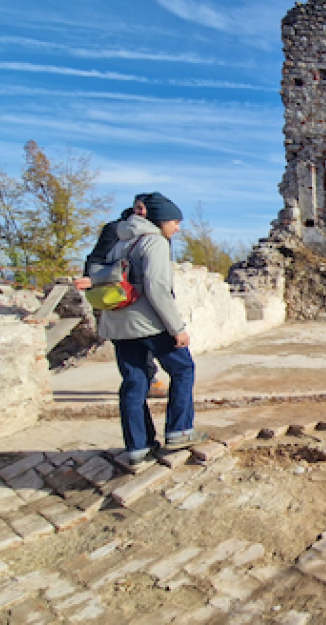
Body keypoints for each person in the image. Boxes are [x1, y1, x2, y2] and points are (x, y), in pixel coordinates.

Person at [98, 192, 206, 467]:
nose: (178, 228)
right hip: (149, 324)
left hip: (119, 325)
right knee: (183, 369)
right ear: (160, 220)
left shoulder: (119, 242)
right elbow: (157, 288)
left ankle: (138, 446)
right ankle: (179, 430)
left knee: (134, 383)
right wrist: (177, 329)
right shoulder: (154, 241)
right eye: (175, 221)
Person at [75, 198, 166, 399]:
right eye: (139, 207)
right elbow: (98, 260)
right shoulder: (116, 230)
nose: (141, 211)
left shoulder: (156, 231)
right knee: (133, 346)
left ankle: (144, 383)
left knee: (140, 343)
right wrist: (94, 282)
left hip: (137, 293)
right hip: (117, 293)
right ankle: (148, 382)